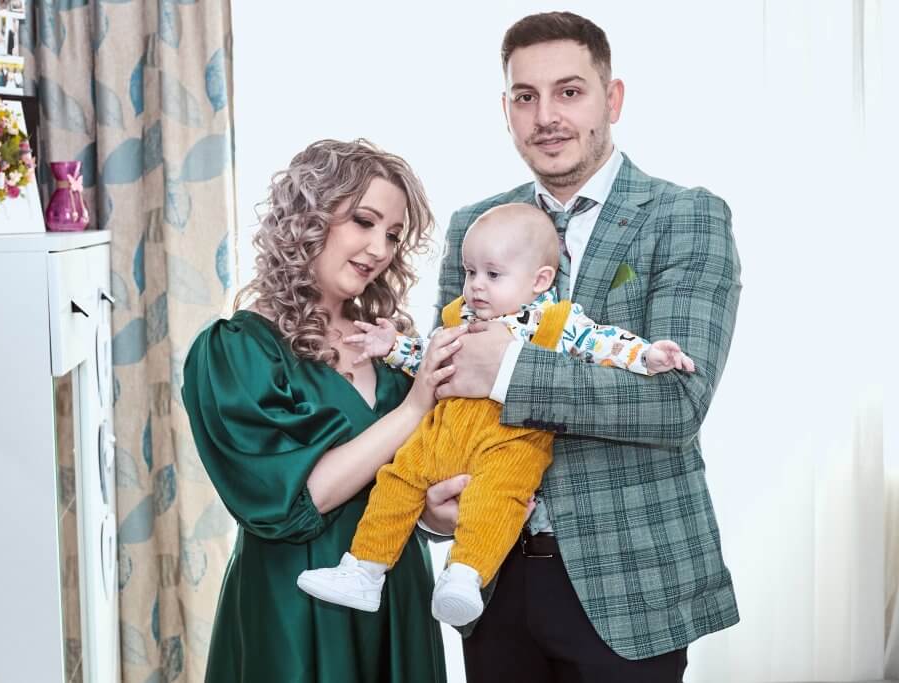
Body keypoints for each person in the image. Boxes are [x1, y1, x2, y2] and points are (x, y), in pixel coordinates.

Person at [420, 11, 742, 682]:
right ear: (506, 110)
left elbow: (676, 404)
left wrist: (506, 370)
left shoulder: (685, 216)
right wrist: (428, 504)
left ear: (611, 98)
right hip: (492, 579)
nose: (546, 117)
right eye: (525, 96)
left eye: (569, 91)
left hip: (632, 586)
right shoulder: (474, 227)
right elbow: (443, 386)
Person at [298, 202, 695, 628]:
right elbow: (432, 360)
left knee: (496, 499)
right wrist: (394, 347)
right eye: (470, 273)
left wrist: (647, 355)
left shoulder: (558, 322)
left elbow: (603, 343)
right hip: (445, 433)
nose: (476, 286)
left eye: (492, 274)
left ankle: (465, 575)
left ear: (539, 280)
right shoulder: (460, 316)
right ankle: (364, 570)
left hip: (512, 439)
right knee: (397, 479)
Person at [180, 139, 455, 683]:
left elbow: (411, 480)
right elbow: (301, 499)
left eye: (393, 234)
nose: (379, 248)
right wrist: (415, 407)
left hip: (396, 594)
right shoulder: (237, 350)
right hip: (295, 607)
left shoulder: (391, 345)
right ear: (308, 217)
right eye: (364, 221)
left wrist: (438, 516)